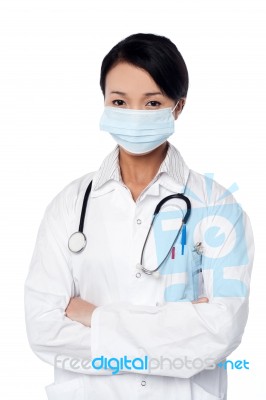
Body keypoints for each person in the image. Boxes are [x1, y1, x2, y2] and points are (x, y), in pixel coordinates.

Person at [24, 33, 254, 400]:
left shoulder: (217, 207)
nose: (133, 114)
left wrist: (93, 317)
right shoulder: (69, 206)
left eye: (151, 103)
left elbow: (220, 333)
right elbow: (44, 331)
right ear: (104, 102)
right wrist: (175, 335)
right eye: (119, 101)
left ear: (177, 107)